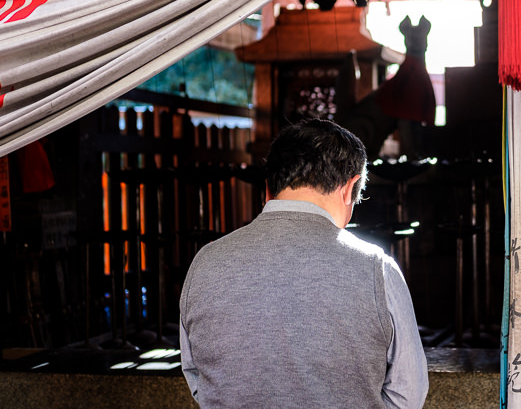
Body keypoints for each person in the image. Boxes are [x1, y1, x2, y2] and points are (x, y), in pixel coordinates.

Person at [180, 118, 429, 408]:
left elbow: (197, 379)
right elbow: (408, 394)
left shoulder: (206, 263)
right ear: (349, 189)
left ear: (268, 189)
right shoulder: (378, 269)